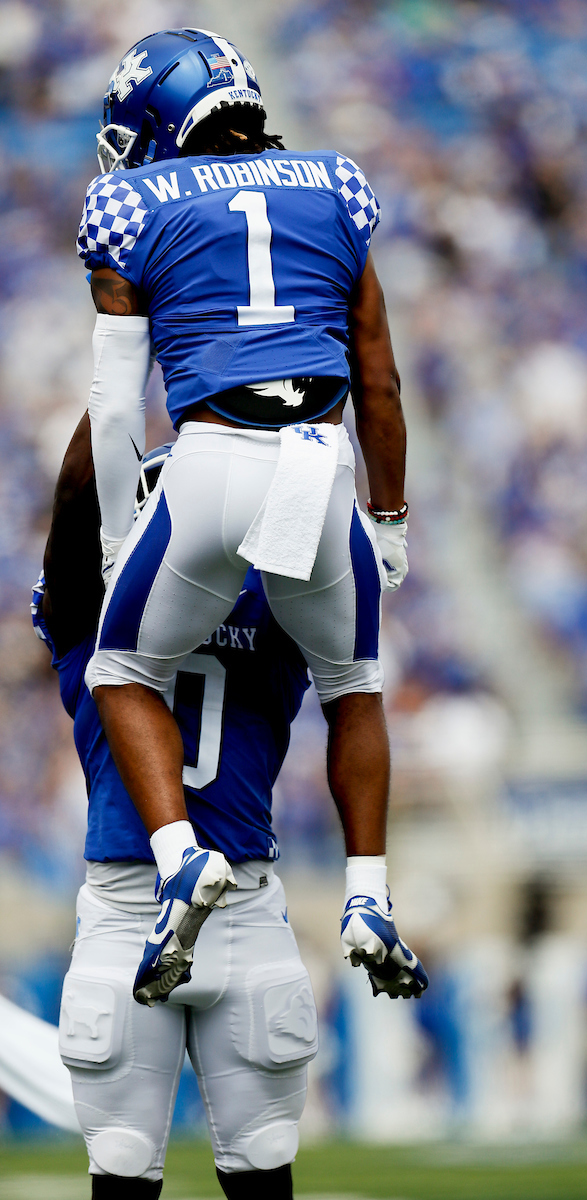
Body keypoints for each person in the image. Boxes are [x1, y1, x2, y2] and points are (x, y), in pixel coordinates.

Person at [77, 28, 427, 1007]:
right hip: (321, 461)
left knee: (122, 668)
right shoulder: (338, 186)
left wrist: (116, 535)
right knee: (353, 684)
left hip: (210, 459)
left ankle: (181, 859)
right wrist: (387, 518)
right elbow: (379, 379)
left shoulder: (128, 202)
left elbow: (114, 405)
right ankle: (367, 897)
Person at [34, 414, 320, 1198]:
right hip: (223, 901)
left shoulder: (98, 616)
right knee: (253, 1163)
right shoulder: (280, 607)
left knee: (133, 1164)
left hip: (147, 906)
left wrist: (121, 371)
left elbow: (72, 498)